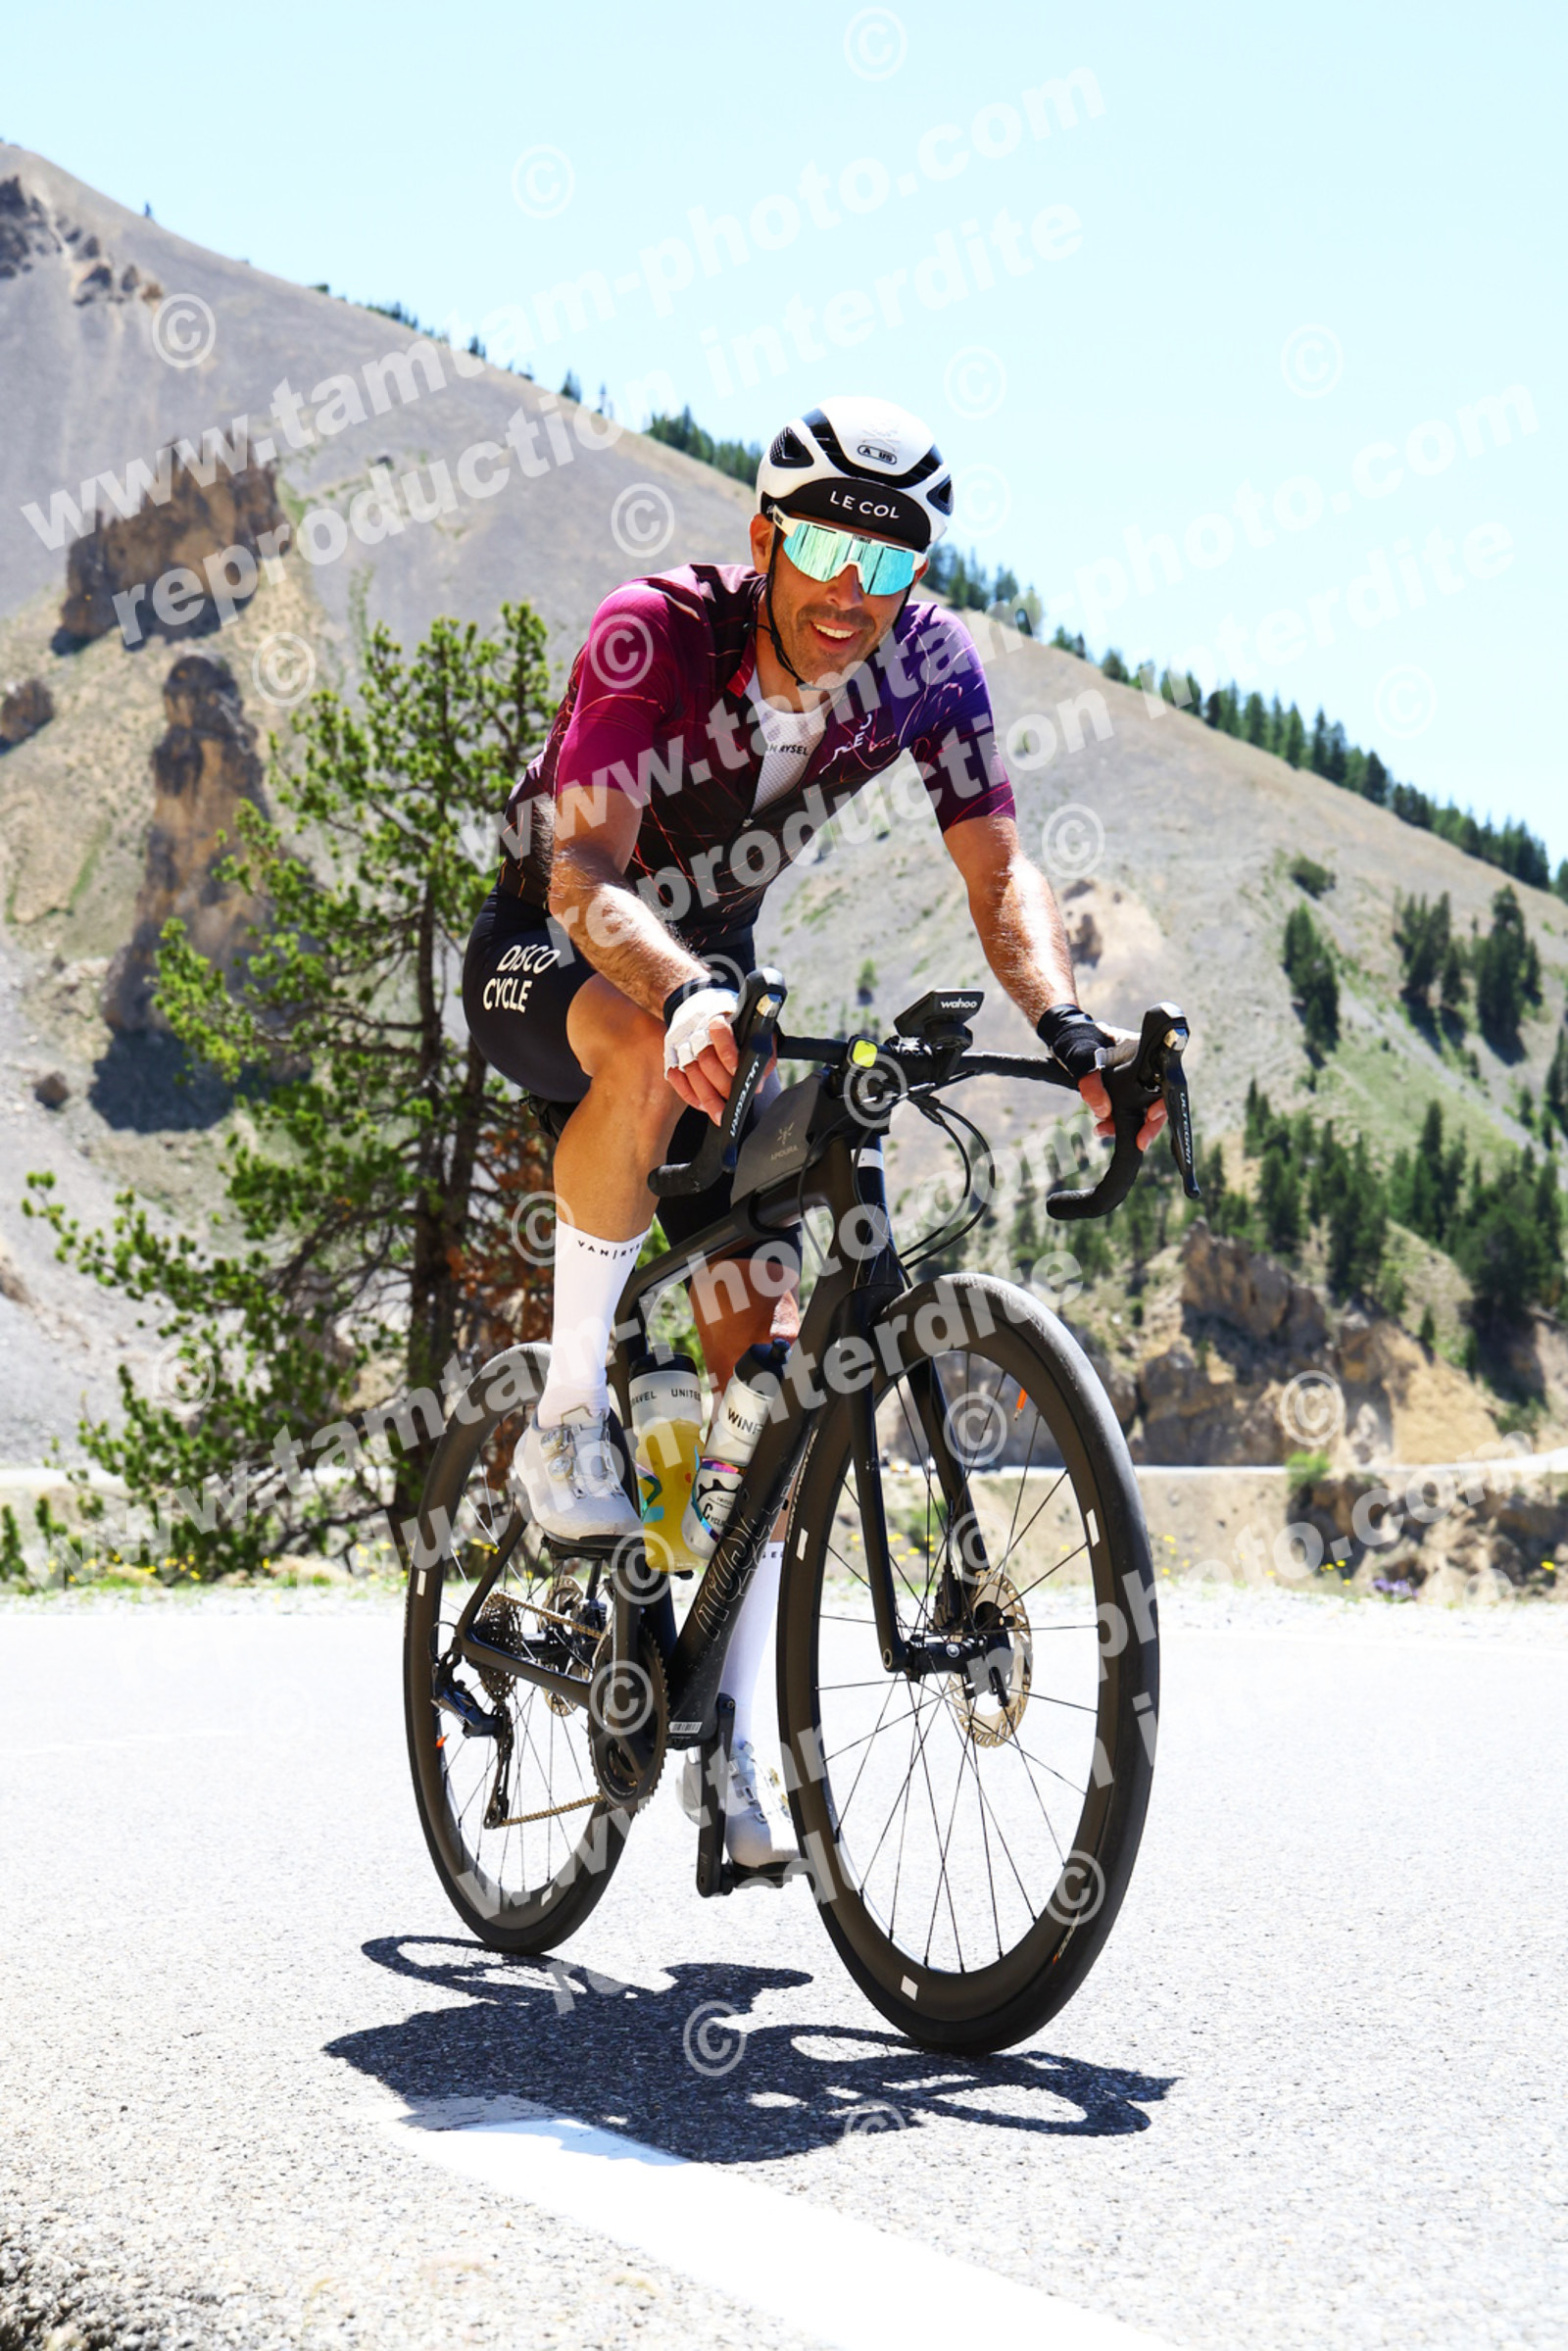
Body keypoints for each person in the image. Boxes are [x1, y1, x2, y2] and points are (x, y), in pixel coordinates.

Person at [463, 395, 1164, 1864]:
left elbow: (999, 874)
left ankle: (718, 1731)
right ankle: (567, 1417)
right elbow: (584, 867)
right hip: (556, 949)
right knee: (647, 1044)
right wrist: (680, 991)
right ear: (766, 536)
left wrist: (1071, 1032)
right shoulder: (655, 635)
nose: (855, 589)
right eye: (831, 546)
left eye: (890, 558)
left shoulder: (925, 665)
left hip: (713, 976)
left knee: (767, 1357)